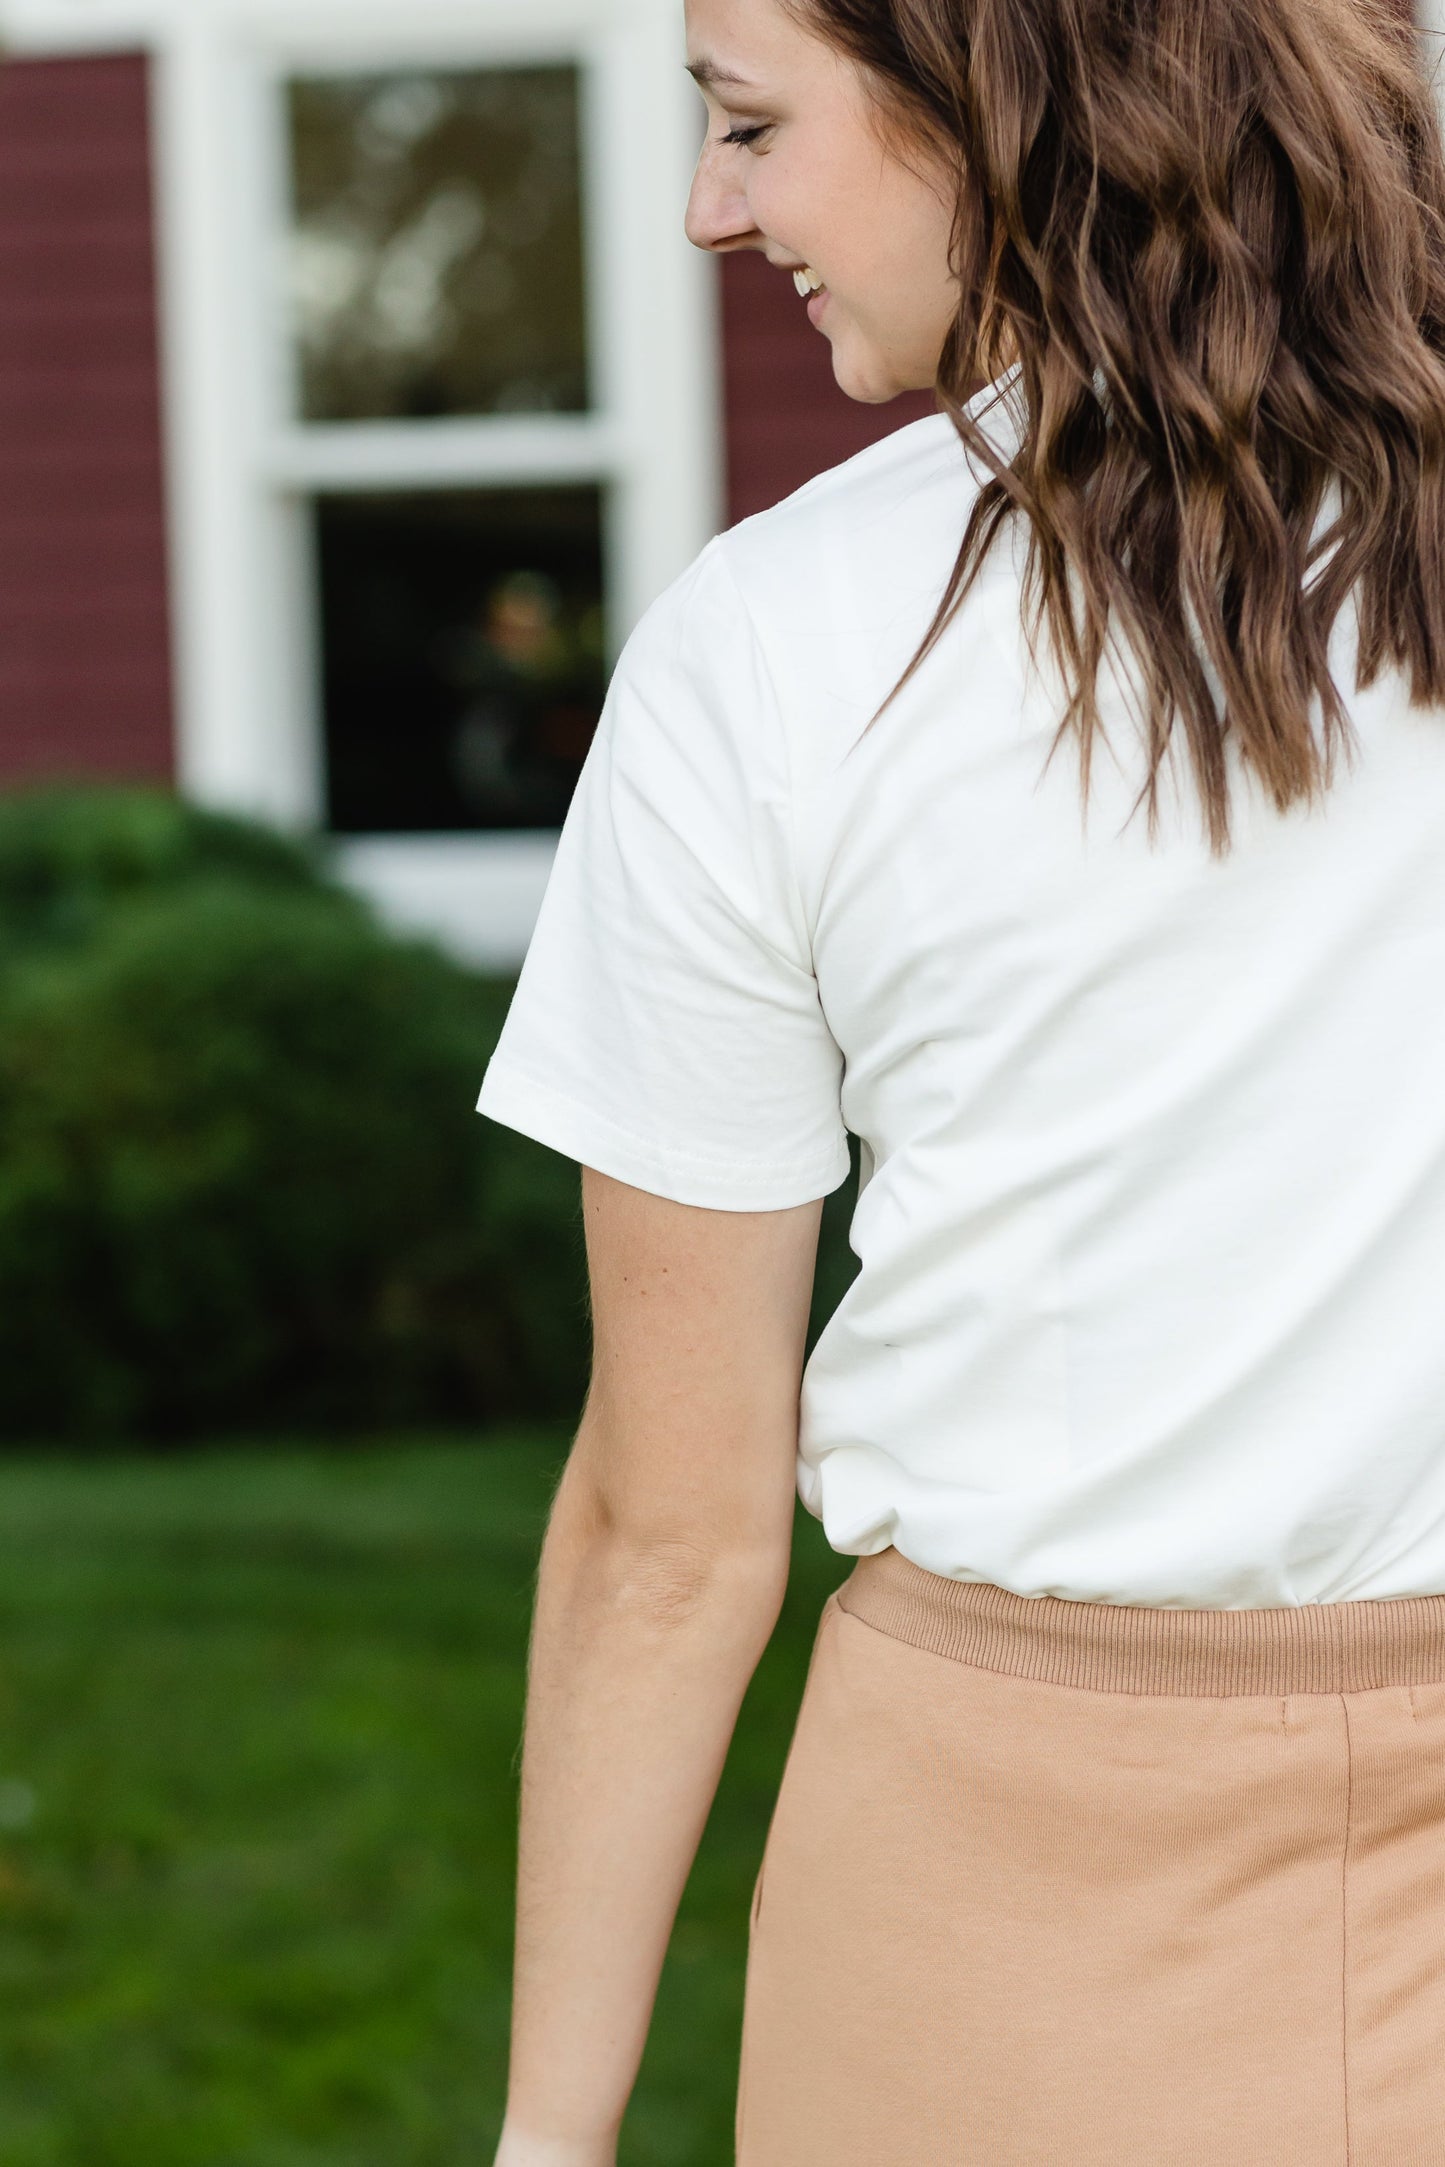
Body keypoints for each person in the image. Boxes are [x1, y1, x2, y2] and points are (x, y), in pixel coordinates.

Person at [480, 0, 1445, 2152]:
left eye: (748, 126)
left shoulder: (774, 644)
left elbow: (669, 1522)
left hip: (992, 1883)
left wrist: (550, 2134)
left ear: (995, 95)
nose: (714, 213)